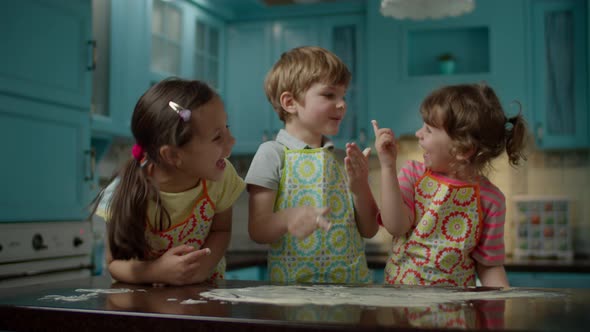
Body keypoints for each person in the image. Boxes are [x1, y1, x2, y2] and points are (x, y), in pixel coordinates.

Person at [245, 46, 379, 284]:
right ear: (290, 102)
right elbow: (258, 229)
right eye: (329, 95)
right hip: (292, 292)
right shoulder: (272, 154)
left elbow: (369, 230)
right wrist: (287, 218)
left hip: (352, 288)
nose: (342, 104)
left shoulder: (341, 158)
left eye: (343, 96)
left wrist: (359, 187)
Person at [372, 83, 528, 288]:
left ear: (462, 149)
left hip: (456, 313)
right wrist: (387, 166)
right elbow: (395, 226)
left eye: (428, 129)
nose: (418, 133)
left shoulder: (491, 200)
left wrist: (501, 308)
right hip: (401, 306)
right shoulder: (413, 174)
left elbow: (489, 267)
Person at [93, 78, 245, 286]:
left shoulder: (221, 178)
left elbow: (221, 230)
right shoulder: (125, 190)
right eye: (217, 137)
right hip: (146, 305)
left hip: (204, 296)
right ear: (173, 156)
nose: (232, 140)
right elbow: (114, 264)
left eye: (226, 127)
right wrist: (155, 271)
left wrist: (202, 269)